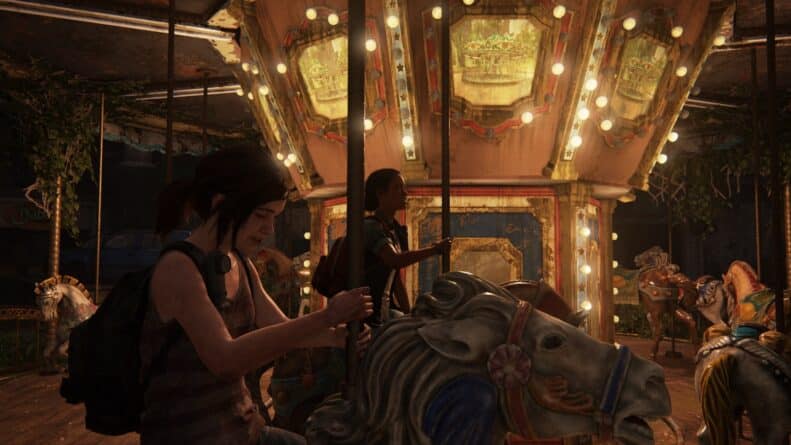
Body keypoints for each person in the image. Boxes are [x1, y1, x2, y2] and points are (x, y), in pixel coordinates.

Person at [140, 145, 372, 445]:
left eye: (274, 217)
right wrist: (327, 316)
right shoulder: (179, 268)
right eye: (262, 215)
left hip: (241, 430)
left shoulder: (240, 263)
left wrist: (335, 336)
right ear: (220, 204)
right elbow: (225, 360)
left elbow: (282, 328)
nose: (269, 228)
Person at [363, 168, 451, 326]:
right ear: (381, 194)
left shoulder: (394, 229)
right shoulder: (371, 227)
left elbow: (395, 279)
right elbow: (394, 260)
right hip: (365, 313)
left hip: (383, 309)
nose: (404, 193)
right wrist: (434, 250)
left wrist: (408, 315)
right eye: (397, 188)